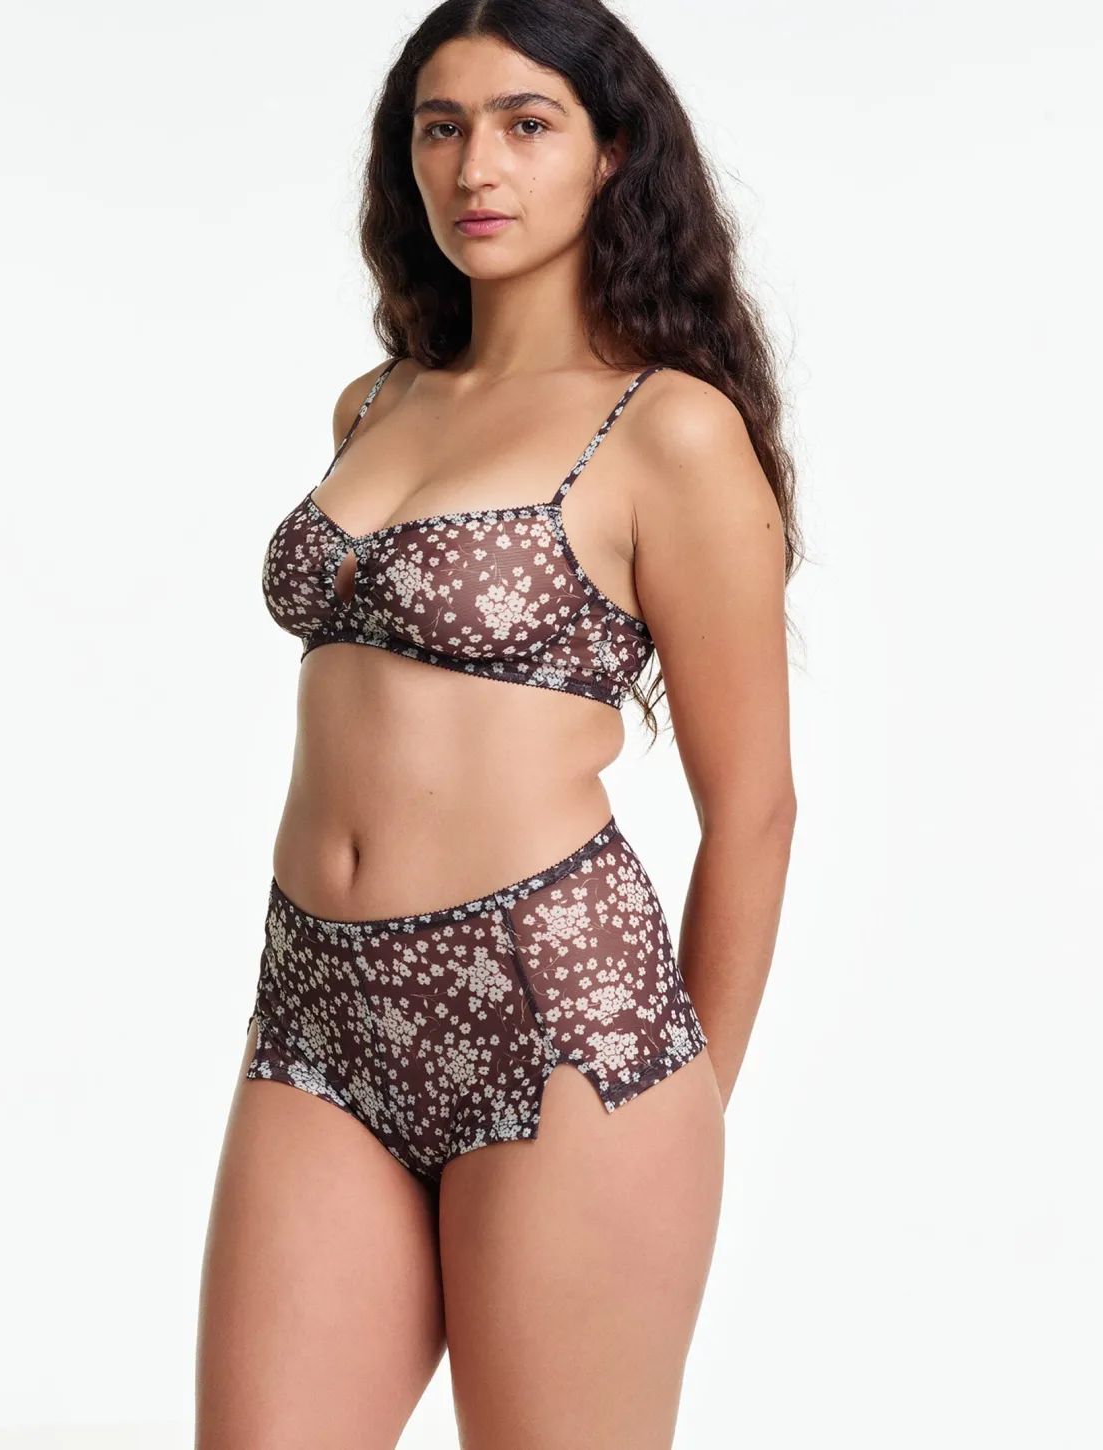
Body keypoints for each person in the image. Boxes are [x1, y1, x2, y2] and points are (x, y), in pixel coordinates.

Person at [195, 0, 801, 1445]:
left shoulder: (669, 428)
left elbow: (756, 811)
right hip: (319, 1005)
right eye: (442, 126)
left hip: (565, 1024)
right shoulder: (376, 402)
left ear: (612, 153)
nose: (478, 165)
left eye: (529, 124)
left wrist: (685, 1104)